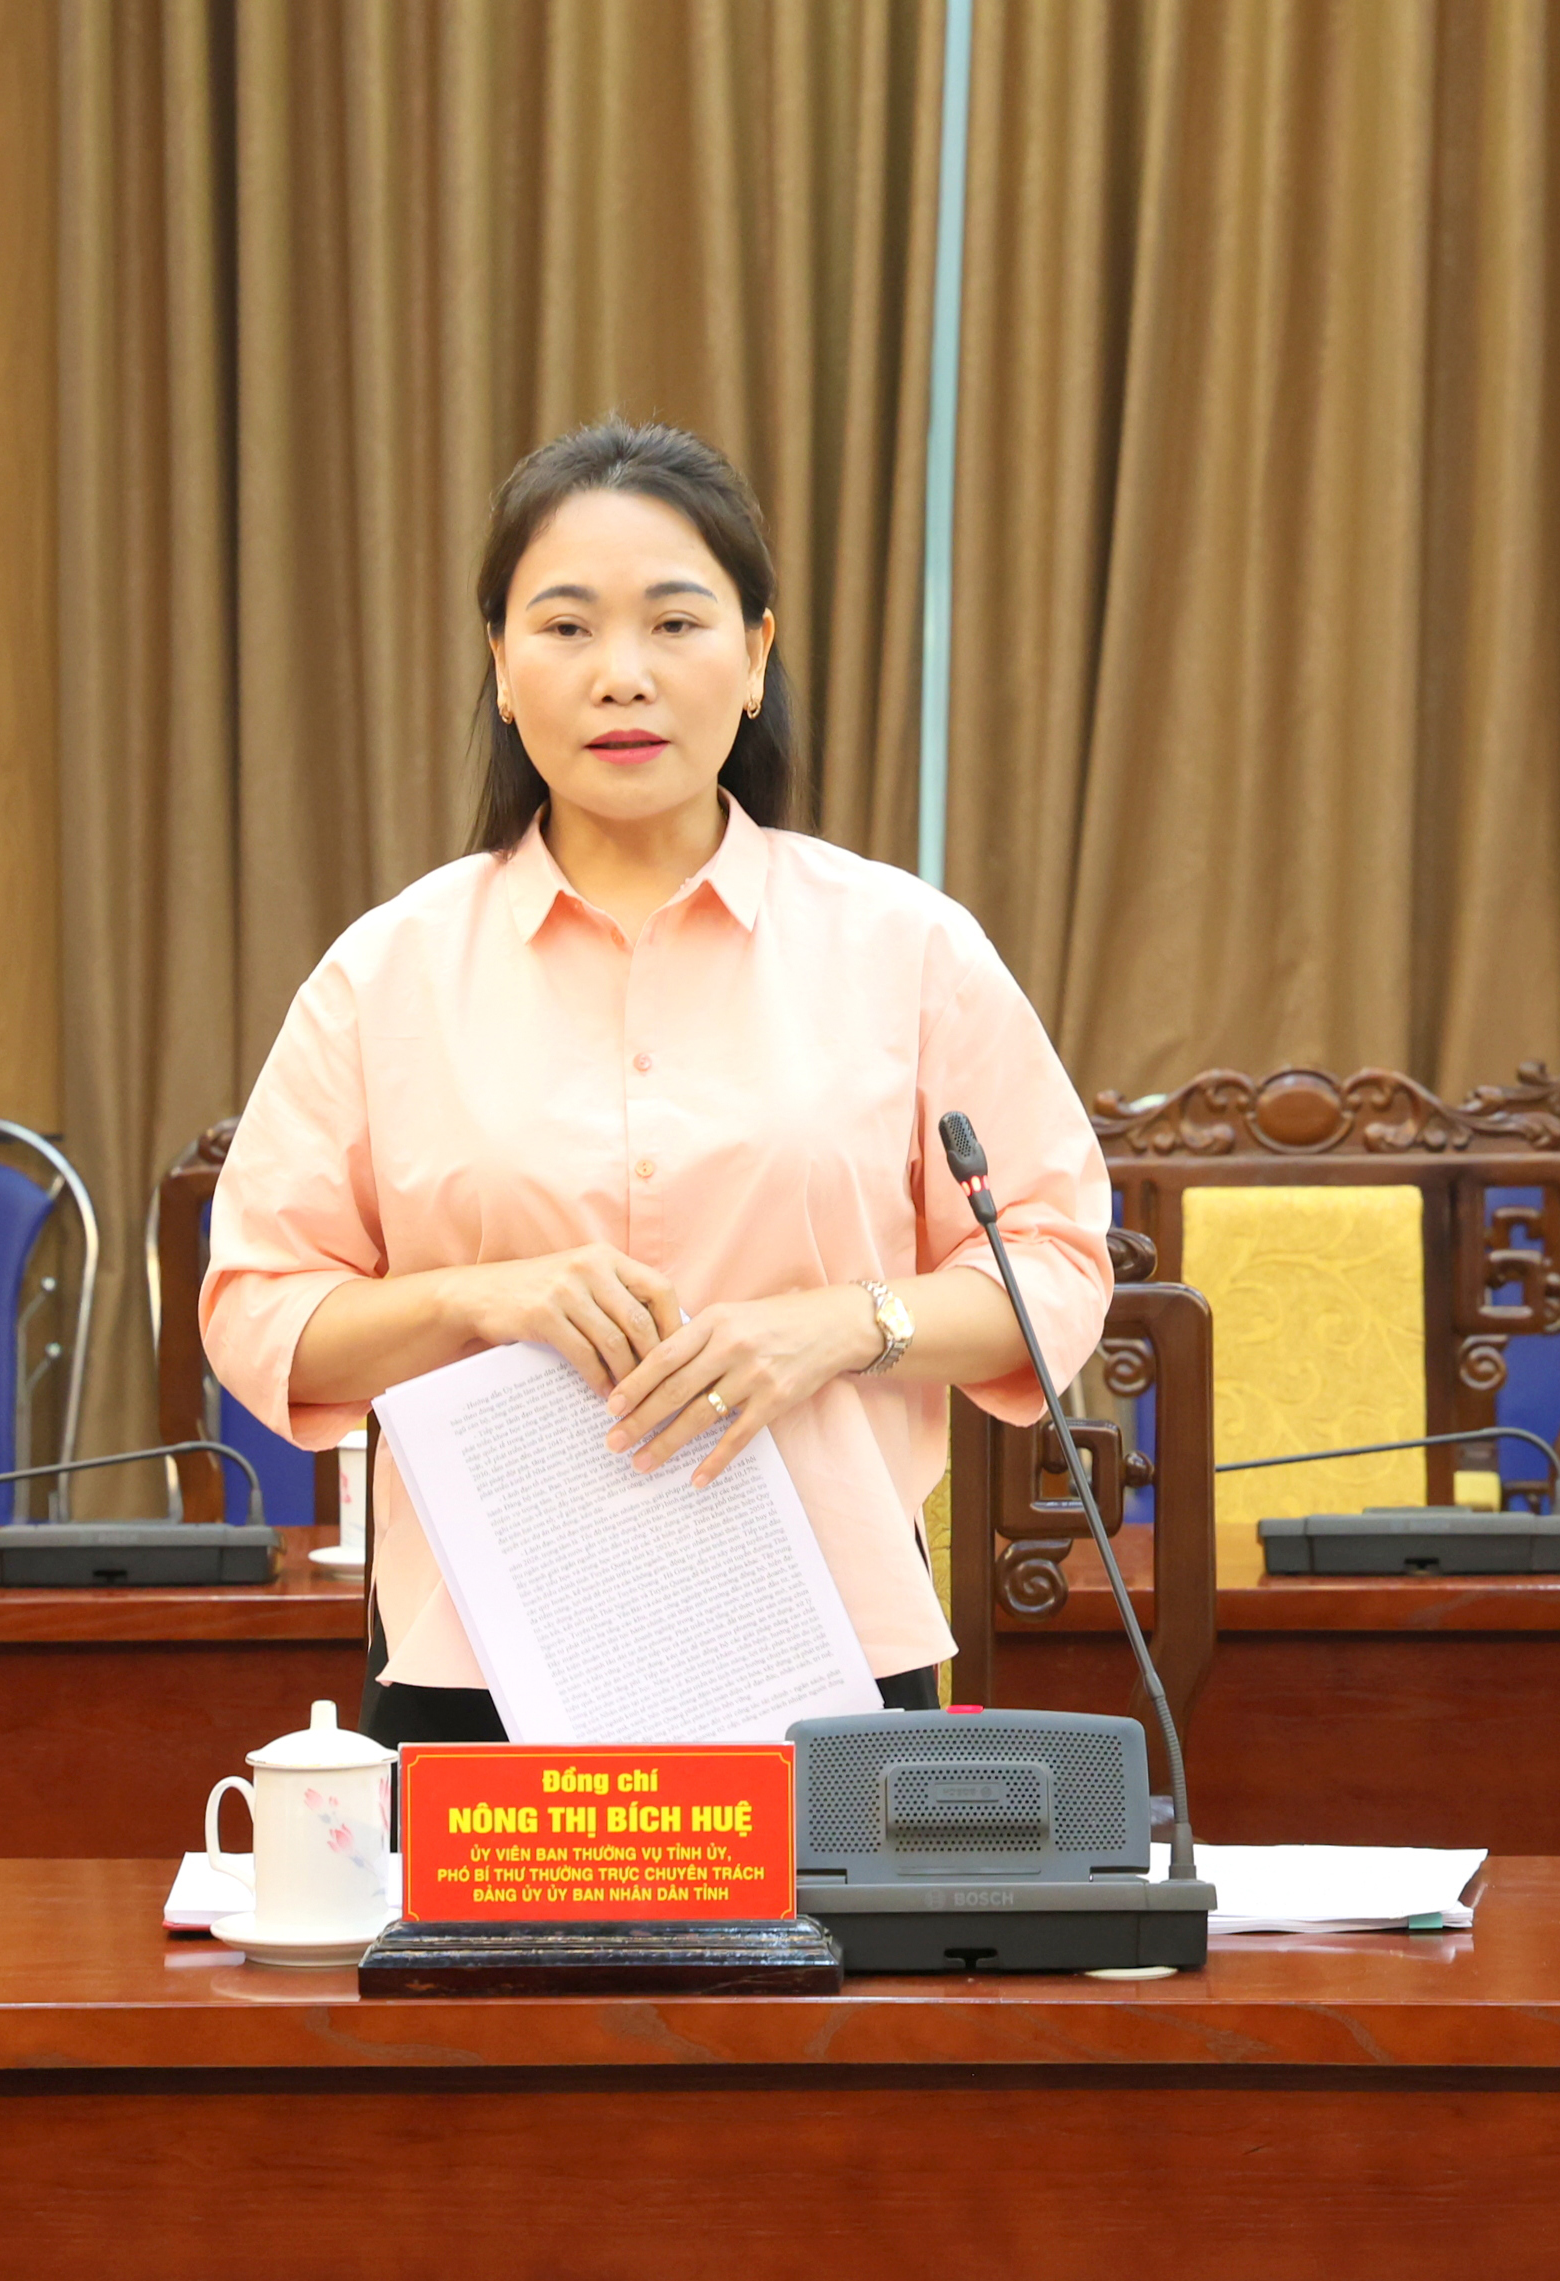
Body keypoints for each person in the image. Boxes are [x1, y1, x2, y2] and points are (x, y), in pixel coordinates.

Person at [201, 419, 1112, 1746]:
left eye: (675, 624)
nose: (620, 675)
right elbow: (256, 1312)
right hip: (478, 1664)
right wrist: (478, 1296)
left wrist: (839, 1324)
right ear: (500, 669)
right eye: (566, 628)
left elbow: (1057, 1267)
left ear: (755, 656)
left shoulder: (903, 946)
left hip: (830, 1653)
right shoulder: (389, 971)